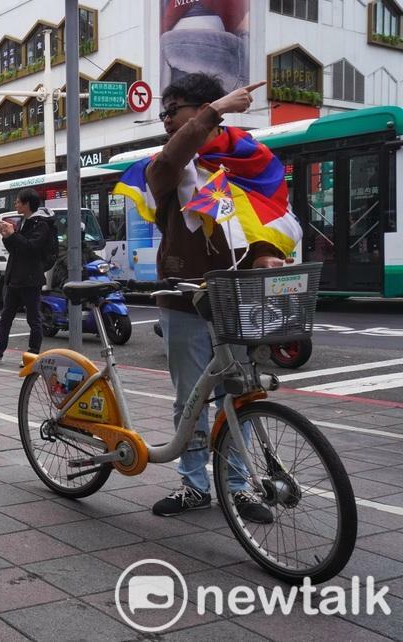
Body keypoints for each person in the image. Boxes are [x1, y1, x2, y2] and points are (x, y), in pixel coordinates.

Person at [133, 73, 285, 522]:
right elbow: (172, 160)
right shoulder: (164, 164)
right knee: (191, 398)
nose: (164, 120)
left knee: (238, 395)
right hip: (184, 298)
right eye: (164, 112)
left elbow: (265, 219)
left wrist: (266, 255)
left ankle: (236, 487)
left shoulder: (246, 161)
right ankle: (194, 484)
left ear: (196, 107)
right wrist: (214, 112)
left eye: (172, 109)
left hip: (237, 296)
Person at [0, 188, 55, 366]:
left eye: (18, 201)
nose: (16, 204)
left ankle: (33, 355)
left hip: (30, 279)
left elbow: (31, 248)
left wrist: (12, 234)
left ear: (27, 204)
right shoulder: (24, 221)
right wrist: (7, 237)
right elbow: (17, 249)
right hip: (15, 277)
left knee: (33, 319)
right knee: (5, 318)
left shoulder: (40, 224)